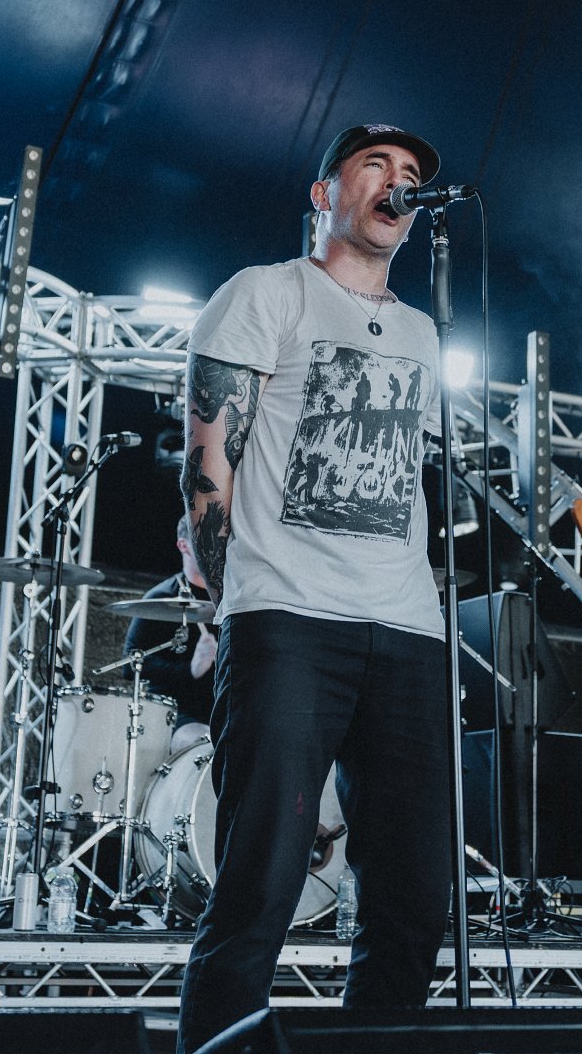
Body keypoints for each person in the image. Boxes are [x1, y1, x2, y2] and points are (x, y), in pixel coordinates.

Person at [176, 124, 451, 1053]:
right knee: (261, 881)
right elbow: (208, 470)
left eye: (410, 173)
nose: (397, 182)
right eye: (376, 165)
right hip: (288, 622)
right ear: (324, 193)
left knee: (413, 897)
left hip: (407, 631)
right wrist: (231, 606)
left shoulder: (422, 333)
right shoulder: (265, 293)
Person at [122, 516, 216, 754]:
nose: (214, 545)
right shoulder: (161, 598)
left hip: (223, 709)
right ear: (183, 545)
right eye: (204, 539)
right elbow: (129, 664)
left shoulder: (229, 597)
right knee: (205, 746)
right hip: (174, 713)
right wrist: (190, 670)